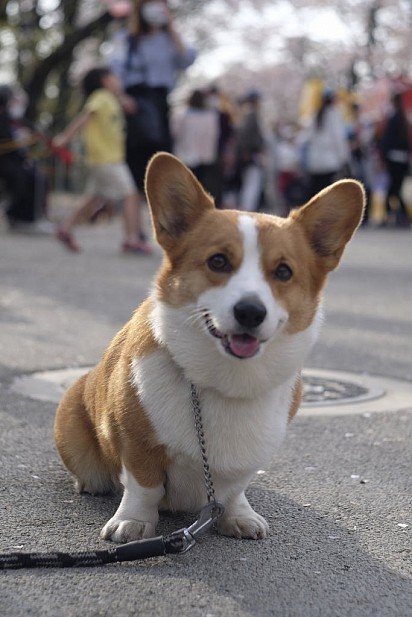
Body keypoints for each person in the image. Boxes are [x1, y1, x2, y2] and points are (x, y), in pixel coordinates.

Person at [53, 67, 151, 254]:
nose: (119, 80)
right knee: (130, 194)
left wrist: (122, 99)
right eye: (115, 77)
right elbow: (85, 118)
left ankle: (65, 228)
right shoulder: (100, 97)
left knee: (94, 197)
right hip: (106, 159)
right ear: (105, 81)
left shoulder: (110, 99)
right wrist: (65, 138)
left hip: (106, 158)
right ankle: (132, 239)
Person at [108, 0, 196, 193]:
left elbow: (188, 58)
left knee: (162, 156)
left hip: (161, 103)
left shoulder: (169, 40)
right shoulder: (127, 39)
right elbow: (114, 70)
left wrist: (171, 26)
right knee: (137, 159)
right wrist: (122, 97)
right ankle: (135, 206)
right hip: (136, 103)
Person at [0, 85, 51, 233]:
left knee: (38, 177)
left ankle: (30, 217)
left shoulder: (12, 119)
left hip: (14, 162)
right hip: (6, 163)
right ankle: (18, 216)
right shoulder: (4, 121)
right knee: (25, 177)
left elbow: (31, 129)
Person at [172, 89, 219, 198]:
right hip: (206, 157)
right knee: (203, 188)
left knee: (187, 189)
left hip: (186, 156)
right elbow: (214, 136)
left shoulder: (181, 114)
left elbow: (175, 133)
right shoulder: (211, 116)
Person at [305, 88, 349, 198]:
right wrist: (344, 158)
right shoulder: (334, 115)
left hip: (314, 163)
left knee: (316, 195)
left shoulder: (315, 115)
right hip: (330, 163)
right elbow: (339, 139)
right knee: (328, 196)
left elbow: (308, 138)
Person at [380, 93, 411, 228]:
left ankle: (392, 214)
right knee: (396, 187)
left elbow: (387, 140)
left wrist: (383, 156)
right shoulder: (405, 120)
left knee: (393, 188)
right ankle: (402, 215)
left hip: (393, 158)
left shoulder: (393, 119)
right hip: (403, 159)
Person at [235, 89, 266, 212]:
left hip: (248, 155)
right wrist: (247, 151)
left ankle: (246, 209)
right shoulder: (250, 115)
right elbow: (245, 137)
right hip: (251, 156)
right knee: (251, 186)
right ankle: (247, 211)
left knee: (250, 186)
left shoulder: (244, 114)